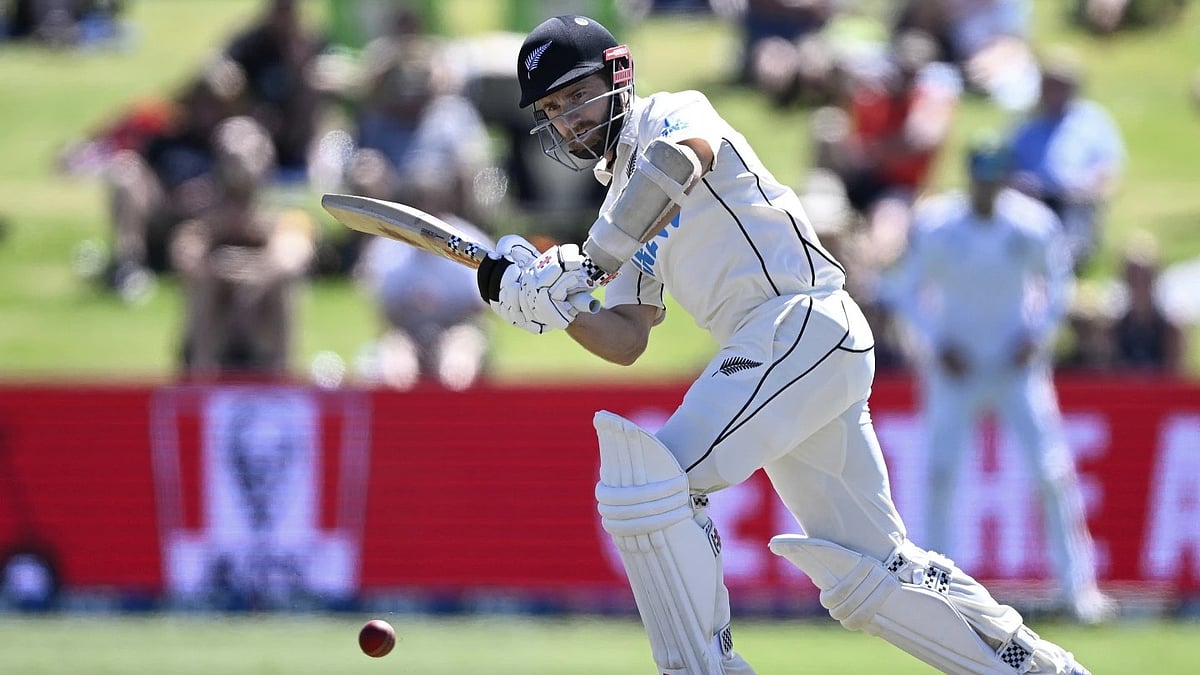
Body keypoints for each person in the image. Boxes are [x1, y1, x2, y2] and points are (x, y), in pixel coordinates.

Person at [475, 15, 1097, 674]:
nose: (568, 119)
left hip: (800, 321)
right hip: (792, 353)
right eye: (553, 110)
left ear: (617, 74)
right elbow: (626, 336)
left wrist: (589, 263)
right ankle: (1037, 667)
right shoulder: (616, 214)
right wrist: (557, 303)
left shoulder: (673, 115)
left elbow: (680, 161)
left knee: (649, 487)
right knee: (870, 576)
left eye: (576, 96)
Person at [884, 137, 1117, 627]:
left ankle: (1079, 590)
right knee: (941, 473)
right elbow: (904, 290)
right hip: (956, 368)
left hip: (1016, 368)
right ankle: (937, 591)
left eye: (995, 181)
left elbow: (1058, 284)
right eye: (980, 181)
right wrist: (935, 345)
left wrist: (1038, 337)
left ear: (1004, 179)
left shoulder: (1031, 224)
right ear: (970, 178)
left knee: (1051, 473)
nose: (987, 190)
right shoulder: (938, 224)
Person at [171, 116, 315, 379]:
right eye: (229, 153)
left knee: (280, 282)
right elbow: (186, 255)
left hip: (260, 329)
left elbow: (293, 256)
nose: (237, 160)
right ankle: (201, 377)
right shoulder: (203, 218)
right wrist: (219, 265)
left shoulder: (284, 215)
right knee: (204, 284)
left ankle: (282, 375)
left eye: (248, 151)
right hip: (217, 333)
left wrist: (255, 270)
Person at [1007, 50, 1125, 273]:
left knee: (1072, 234)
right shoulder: (1024, 122)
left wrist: (1090, 188)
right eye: (1050, 85)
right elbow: (1005, 167)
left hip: (1075, 201)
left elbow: (1110, 171)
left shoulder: (1094, 121)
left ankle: (1067, 263)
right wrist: (1017, 184)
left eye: (1062, 86)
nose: (1055, 92)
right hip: (1032, 200)